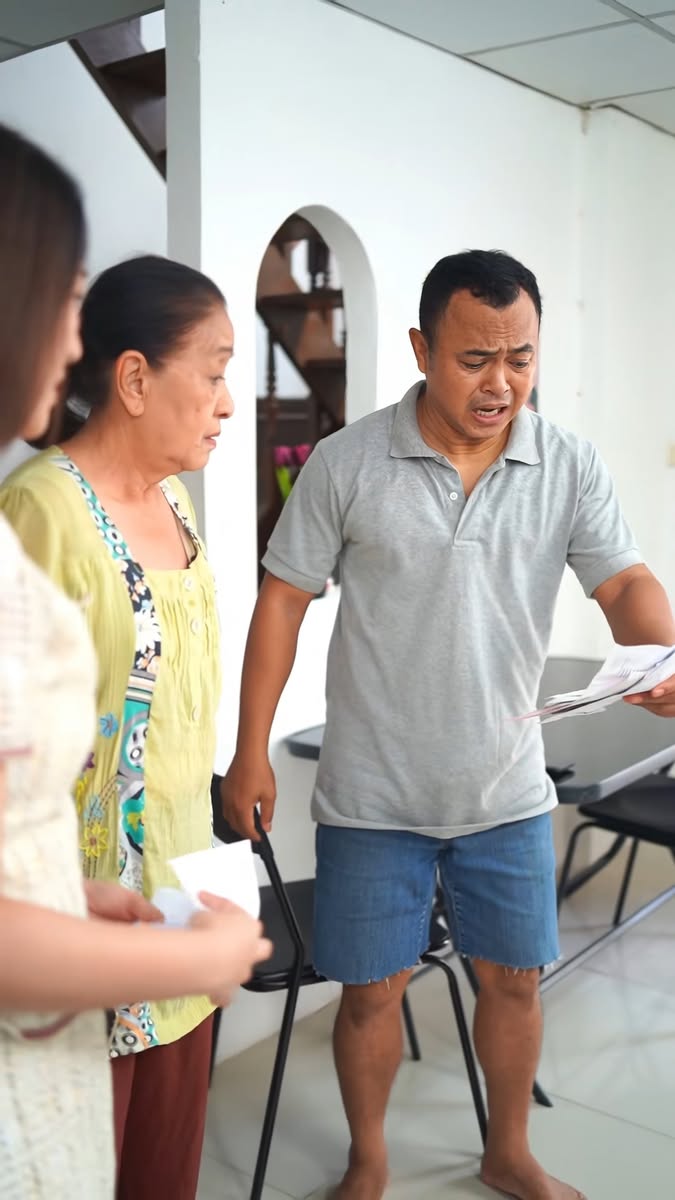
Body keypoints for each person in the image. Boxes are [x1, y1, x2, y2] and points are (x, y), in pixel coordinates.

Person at [221, 249, 675, 1200]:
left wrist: (660, 656)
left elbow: (623, 580)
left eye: (520, 357)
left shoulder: (566, 463)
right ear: (423, 349)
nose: (499, 382)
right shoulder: (347, 461)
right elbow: (282, 601)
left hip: (505, 790)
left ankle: (507, 1153)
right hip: (371, 795)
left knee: (513, 982)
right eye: (474, 359)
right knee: (371, 993)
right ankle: (368, 1161)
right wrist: (248, 750)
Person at [0, 224, 271, 1200]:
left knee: (166, 1165)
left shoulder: (177, 506)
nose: (229, 401)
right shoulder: (41, 509)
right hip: (76, 916)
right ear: (133, 379)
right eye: (216, 372)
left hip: (185, 893)